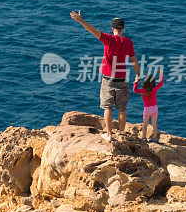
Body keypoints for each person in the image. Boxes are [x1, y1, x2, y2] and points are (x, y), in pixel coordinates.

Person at [70, 11, 141, 141]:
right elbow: (133, 60)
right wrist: (138, 74)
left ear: (112, 28)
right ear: (123, 28)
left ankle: (109, 135)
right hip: (122, 80)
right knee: (122, 109)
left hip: (108, 79)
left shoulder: (108, 39)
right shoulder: (128, 42)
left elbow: (93, 30)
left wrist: (80, 20)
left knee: (108, 107)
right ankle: (121, 134)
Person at [134, 72, 164, 142]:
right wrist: (161, 74)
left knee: (145, 125)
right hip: (154, 108)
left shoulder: (143, 91)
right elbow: (161, 83)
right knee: (154, 124)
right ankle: (155, 137)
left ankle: (144, 138)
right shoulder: (154, 89)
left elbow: (135, 90)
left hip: (147, 109)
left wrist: (136, 82)